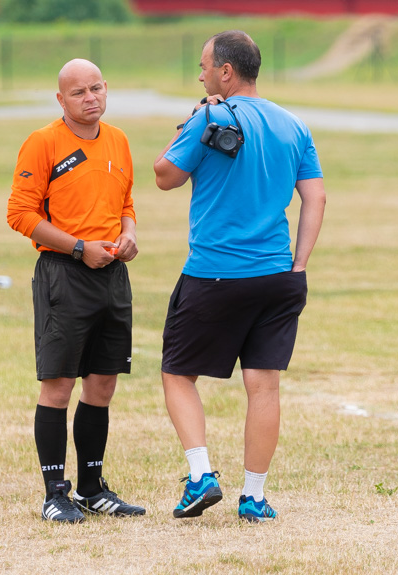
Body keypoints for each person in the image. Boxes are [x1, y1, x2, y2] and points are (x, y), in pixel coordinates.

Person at [153, 30, 326, 522]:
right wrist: (299, 265)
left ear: (225, 72)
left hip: (215, 273)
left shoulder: (210, 114)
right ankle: (254, 496)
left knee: (177, 373)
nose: (201, 75)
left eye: (205, 67)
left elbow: (164, 175)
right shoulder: (294, 123)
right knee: (264, 385)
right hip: (278, 274)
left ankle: (201, 474)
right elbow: (315, 197)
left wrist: (188, 118)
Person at [7, 58, 145, 523]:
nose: (91, 99)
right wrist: (80, 247)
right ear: (61, 99)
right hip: (64, 274)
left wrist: (127, 235)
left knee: (103, 383)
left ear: (107, 88)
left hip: (112, 276)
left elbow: (125, 202)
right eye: (79, 93)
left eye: (96, 89)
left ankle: (90, 488)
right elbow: (21, 215)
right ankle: (54, 493)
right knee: (59, 384)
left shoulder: (119, 139)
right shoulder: (43, 143)